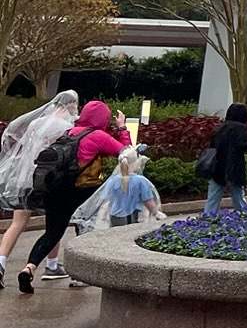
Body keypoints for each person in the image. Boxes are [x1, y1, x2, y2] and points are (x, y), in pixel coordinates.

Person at [19, 99, 130, 293]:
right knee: (84, 231)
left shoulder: (67, 133)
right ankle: (79, 276)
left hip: (56, 190)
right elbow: (127, 154)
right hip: (84, 191)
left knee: (52, 233)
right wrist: (122, 128)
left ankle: (29, 268)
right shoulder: (98, 136)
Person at [0, 91, 79, 287]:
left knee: (18, 222)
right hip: (49, 181)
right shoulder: (66, 127)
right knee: (54, 224)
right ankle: (51, 265)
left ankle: (1, 262)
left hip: (26, 178)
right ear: (71, 106)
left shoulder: (37, 123)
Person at [74, 144, 165, 232]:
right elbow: (148, 201)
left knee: (117, 236)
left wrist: (101, 217)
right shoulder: (141, 181)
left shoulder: (113, 180)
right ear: (135, 163)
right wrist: (156, 213)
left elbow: (104, 201)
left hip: (115, 217)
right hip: (133, 216)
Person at [204, 103, 247, 217]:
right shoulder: (241, 128)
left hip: (217, 167)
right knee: (239, 197)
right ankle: (245, 217)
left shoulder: (219, 128)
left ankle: (207, 219)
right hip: (234, 166)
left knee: (213, 198)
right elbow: (242, 146)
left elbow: (213, 145)